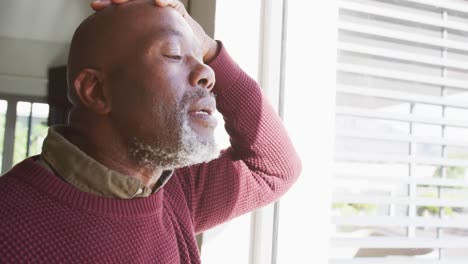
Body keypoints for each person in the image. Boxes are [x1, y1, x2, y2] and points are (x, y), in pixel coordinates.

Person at [0, 0, 301, 263]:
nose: (208, 73)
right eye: (173, 54)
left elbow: (273, 168)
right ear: (96, 91)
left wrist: (211, 49)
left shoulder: (176, 191)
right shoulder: (10, 227)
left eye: (202, 59)